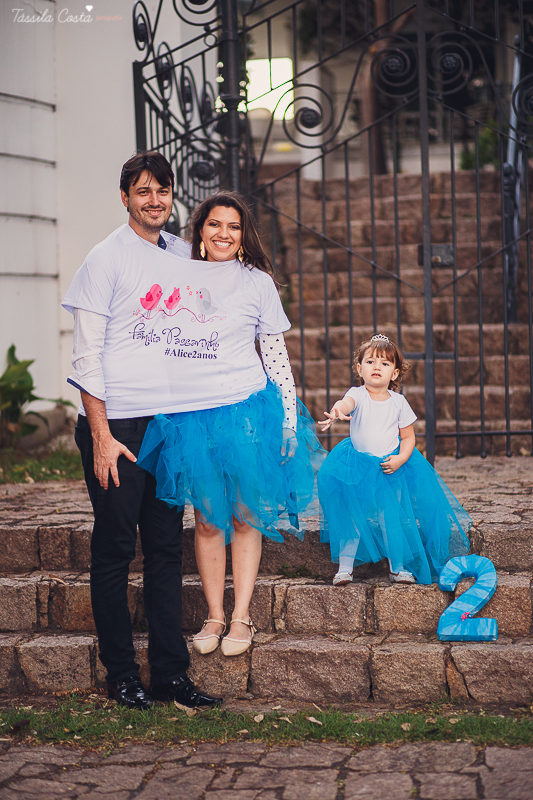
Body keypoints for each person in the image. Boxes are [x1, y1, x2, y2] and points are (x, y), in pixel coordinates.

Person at [62, 151, 222, 710]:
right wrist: (102, 435)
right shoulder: (104, 260)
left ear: (172, 195)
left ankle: (171, 675)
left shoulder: (182, 253)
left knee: (162, 548)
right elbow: (85, 356)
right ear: (125, 197)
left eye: (163, 190)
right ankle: (122, 675)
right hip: (117, 425)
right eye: (143, 190)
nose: (154, 200)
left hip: (168, 424)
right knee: (113, 547)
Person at [137, 191, 325, 657]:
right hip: (193, 415)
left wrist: (286, 418)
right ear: (199, 231)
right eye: (215, 224)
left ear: (243, 236)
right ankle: (213, 614)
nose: (224, 233)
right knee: (205, 520)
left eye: (234, 226)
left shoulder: (257, 282)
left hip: (247, 411)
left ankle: (241, 615)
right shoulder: (178, 275)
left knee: (244, 515)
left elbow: (276, 357)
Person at [318, 333, 471, 586]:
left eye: (385, 363)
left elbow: (408, 438)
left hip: (389, 470)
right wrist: (337, 411)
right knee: (353, 518)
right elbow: (346, 403)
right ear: (359, 368)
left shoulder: (399, 403)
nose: (377, 367)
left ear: (395, 374)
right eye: (370, 362)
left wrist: (400, 459)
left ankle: (397, 568)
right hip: (357, 469)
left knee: (391, 520)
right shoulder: (358, 394)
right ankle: (345, 568)